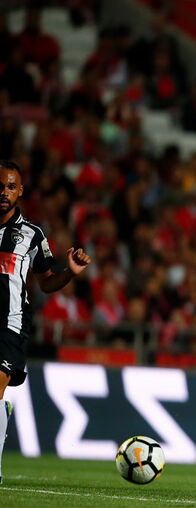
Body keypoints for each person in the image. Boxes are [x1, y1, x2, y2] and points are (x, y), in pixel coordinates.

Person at [0, 160, 92, 484]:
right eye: (1, 185)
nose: (4, 192)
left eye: (11, 186)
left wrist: (69, 272)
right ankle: (2, 414)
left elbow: (46, 282)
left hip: (9, 325)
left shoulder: (31, 235)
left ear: (20, 191)